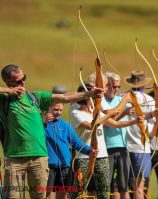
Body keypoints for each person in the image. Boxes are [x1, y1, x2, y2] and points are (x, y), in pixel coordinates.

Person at [0, 64, 102, 199]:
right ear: (8, 83)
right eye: (18, 81)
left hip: (39, 157)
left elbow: (64, 97)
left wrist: (89, 94)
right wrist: (9, 91)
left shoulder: (34, 97)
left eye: (23, 78)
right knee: (11, 196)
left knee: (40, 196)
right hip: (15, 158)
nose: (23, 83)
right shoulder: (4, 100)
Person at [70, 81, 143, 199]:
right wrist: (123, 102)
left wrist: (135, 121)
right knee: (78, 190)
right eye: (93, 97)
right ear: (86, 98)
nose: (97, 99)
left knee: (104, 191)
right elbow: (92, 125)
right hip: (83, 157)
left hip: (102, 155)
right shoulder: (76, 112)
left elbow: (116, 124)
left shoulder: (96, 113)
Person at [44, 88, 98, 199]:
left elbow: (76, 143)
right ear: (47, 109)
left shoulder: (65, 125)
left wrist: (89, 151)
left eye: (60, 110)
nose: (58, 113)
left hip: (65, 166)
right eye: (55, 109)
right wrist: (43, 122)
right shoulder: (41, 125)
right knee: (47, 195)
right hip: (48, 166)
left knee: (63, 195)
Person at [124, 70, 158, 199]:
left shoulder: (122, 95)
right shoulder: (149, 99)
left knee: (122, 186)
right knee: (139, 185)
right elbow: (154, 121)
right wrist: (156, 114)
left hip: (123, 145)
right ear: (143, 84)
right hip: (140, 146)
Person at [101, 72, 132, 199]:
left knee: (124, 186)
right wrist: (125, 108)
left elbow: (139, 112)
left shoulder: (120, 100)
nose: (117, 90)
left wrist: (153, 114)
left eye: (118, 87)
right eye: (114, 87)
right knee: (106, 185)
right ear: (106, 86)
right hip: (107, 148)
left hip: (123, 147)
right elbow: (110, 119)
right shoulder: (102, 100)